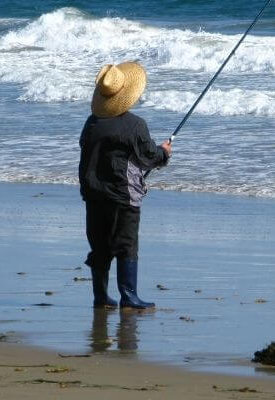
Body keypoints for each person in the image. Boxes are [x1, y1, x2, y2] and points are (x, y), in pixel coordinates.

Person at [78, 61, 172, 309]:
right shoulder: (135, 125)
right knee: (126, 243)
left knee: (100, 245)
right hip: (123, 194)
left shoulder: (92, 123)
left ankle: (101, 297)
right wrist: (164, 153)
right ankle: (129, 296)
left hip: (93, 194)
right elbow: (149, 156)